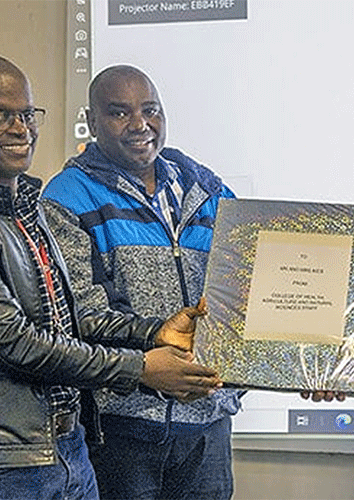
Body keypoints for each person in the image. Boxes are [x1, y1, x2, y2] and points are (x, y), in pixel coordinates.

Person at [0, 55, 222, 500]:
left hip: (66, 451)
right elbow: (15, 342)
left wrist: (155, 332)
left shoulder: (24, 206)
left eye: (27, 114)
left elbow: (72, 321)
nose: (20, 128)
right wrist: (141, 368)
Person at [42, 65, 240, 500]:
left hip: (208, 428)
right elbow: (80, 317)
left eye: (150, 109)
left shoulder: (211, 192)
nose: (139, 124)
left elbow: (246, 301)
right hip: (121, 430)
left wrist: (299, 359)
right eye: (119, 113)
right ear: (92, 123)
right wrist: (152, 370)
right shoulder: (67, 197)